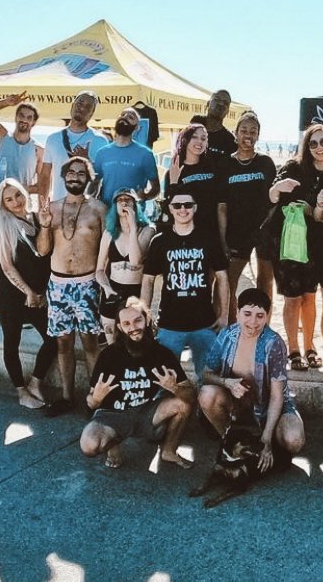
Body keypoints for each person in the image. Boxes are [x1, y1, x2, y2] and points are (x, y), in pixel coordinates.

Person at [79, 299, 196, 470]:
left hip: (148, 412)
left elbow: (191, 397)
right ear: (120, 328)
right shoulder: (109, 356)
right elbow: (90, 403)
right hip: (113, 414)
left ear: (147, 320)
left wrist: (174, 388)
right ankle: (113, 445)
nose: (133, 327)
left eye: (138, 320)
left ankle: (169, 450)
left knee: (182, 405)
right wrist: (96, 399)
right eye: (126, 323)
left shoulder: (162, 354)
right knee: (89, 446)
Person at [267, 125, 323, 377]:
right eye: (313, 143)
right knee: (292, 298)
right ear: (306, 147)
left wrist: (314, 210)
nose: (319, 147)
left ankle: (310, 347)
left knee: (310, 297)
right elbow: (271, 196)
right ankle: (293, 349)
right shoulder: (293, 168)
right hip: (288, 241)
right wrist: (279, 188)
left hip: (316, 244)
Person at [199, 287, 306, 464]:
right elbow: (206, 374)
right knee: (206, 394)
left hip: (267, 405)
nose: (253, 322)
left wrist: (266, 440)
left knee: (294, 440)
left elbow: (277, 396)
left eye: (260, 316)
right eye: (247, 314)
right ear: (238, 312)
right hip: (236, 403)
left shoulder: (274, 343)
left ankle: (266, 441)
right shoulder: (226, 335)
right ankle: (229, 439)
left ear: (267, 316)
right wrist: (227, 382)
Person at [38, 155, 107, 417]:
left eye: (81, 173)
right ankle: (67, 397)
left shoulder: (98, 209)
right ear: (63, 176)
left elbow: (107, 248)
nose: (75, 176)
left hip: (87, 284)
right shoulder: (52, 209)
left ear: (88, 179)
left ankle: (95, 399)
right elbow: (43, 251)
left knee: (91, 344)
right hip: (58, 285)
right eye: (71, 172)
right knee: (63, 344)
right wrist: (45, 227)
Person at [141, 189, 228, 378]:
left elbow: (222, 278)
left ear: (195, 208)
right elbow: (148, 280)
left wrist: (224, 315)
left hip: (204, 323)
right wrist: (145, 313)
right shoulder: (159, 242)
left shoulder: (209, 239)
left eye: (188, 205)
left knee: (209, 380)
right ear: (170, 209)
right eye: (177, 205)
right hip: (169, 324)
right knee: (165, 380)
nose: (183, 209)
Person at [0, 178, 56, 409]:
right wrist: (28, 291)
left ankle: (35, 383)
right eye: (8, 199)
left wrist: (43, 291)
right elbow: (6, 266)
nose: (15, 202)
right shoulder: (4, 223)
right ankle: (21, 391)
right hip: (12, 293)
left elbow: (44, 255)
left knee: (53, 339)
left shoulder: (37, 218)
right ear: (3, 204)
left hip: (38, 292)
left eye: (17, 195)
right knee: (12, 341)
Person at [0, 93, 42, 325]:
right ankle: (1, 304)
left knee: (17, 261)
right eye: (22, 115)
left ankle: (21, 306)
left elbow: (43, 184)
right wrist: (6, 102)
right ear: (16, 117)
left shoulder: (37, 150)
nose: (25, 120)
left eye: (29, 117)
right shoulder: (1, 137)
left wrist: (22, 189)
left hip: (20, 212)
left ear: (34, 122)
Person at [222, 111, 277, 323]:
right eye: (244, 130)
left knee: (265, 282)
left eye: (253, 131)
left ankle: (264, 328)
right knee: (228, 282)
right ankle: (232, 327)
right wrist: (222, 236)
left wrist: (268, 225)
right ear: (235, 134)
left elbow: (275, 198)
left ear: (258, 136)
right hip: (237, 232)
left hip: (264, 231)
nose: (248, 135)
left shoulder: (266, 163)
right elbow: (222, 206)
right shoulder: (226, 165)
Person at [94, 189, 155, 342]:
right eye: (120, 200)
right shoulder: (109, 234)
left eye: (128, 200)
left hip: (134, 292)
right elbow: (99, 270)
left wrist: (133, 227)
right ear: (114, 206)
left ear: (136, 205)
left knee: (135, 339)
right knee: (111, 342)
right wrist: (107, 288)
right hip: (112, 290)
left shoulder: (147, 231)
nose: (124, 202)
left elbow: (135, 261)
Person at [39, 90, 109, 205]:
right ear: (72, 106)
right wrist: (42, 206)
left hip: (86, 210)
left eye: (87, 107)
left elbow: (104, 178)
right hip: (58, 207)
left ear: (91, 114)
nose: (82, 108)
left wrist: (88, 162)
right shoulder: (53, 139)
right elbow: (45, 175)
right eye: (79, 103)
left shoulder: (100, 141)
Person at [165, 125, 227, 251]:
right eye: (194, 137)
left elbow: (221, 204)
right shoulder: (175, 170)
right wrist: (173, 182)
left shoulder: (212, 166)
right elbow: (171, 207)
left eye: (204, 138)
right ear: (185, 140)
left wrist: (222, 239)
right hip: (188, 233)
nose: (200, 142)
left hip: (211, 231)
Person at [92, 106, 159, 205]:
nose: (125, 117)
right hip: (107, 213)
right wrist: (90, 200)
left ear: (136, 127)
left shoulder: (145, 154)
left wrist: (145, 196)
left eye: (131, 117)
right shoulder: (102, 153)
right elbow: (95, 182)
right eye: (122, 115)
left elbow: (156, 188)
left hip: (133, 214)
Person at [190, 89, 238, 155]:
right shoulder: (196, 123)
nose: (221, 104)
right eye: (217, 99)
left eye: (225, 103)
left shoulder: (230, 141)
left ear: (227, 111)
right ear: (208, 103)